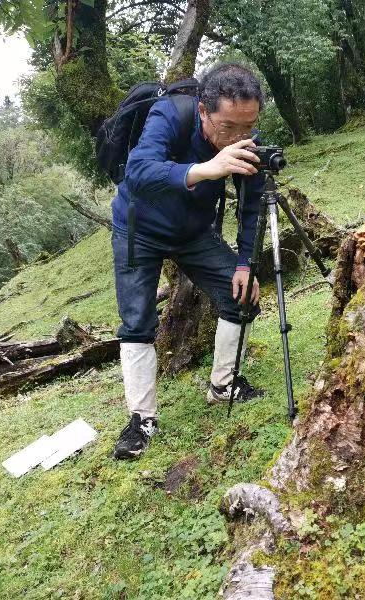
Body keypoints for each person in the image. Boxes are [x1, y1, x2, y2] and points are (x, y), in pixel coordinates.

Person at [111, 62, 266, 460]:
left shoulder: (245, 141)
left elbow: (251, 210)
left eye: (247, 126)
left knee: (242, 295)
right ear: (202, 111)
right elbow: (139, 169)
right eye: (227, 127)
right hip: (138, 228)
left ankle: (223, 385)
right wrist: (206, 169)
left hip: (194, 233)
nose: (237, 137)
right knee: (138, 320)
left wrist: (246, 264)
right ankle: (141, 418)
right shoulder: (170, 113)